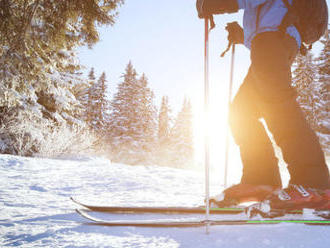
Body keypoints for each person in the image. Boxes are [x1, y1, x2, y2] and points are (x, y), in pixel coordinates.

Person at [196, 0, 330, 211]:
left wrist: (220, 3)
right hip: (271, 37)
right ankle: (261, 178)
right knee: (242, 111)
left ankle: (314, 184)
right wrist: (244, 36)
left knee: (277, 102)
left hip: (275, 35)